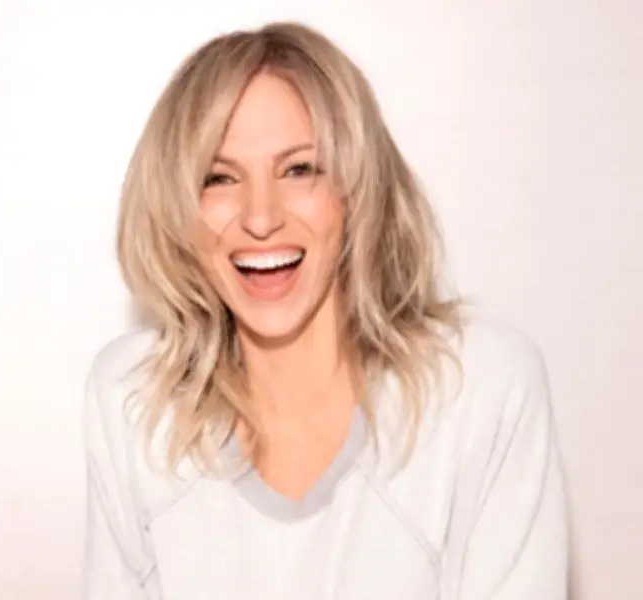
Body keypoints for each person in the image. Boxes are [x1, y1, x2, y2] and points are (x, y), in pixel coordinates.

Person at [81, 21, 568, 600]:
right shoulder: (133, 402)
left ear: (357, 192)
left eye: (299, 169)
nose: (261, 217)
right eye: (219, 177)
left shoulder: (483, 390)